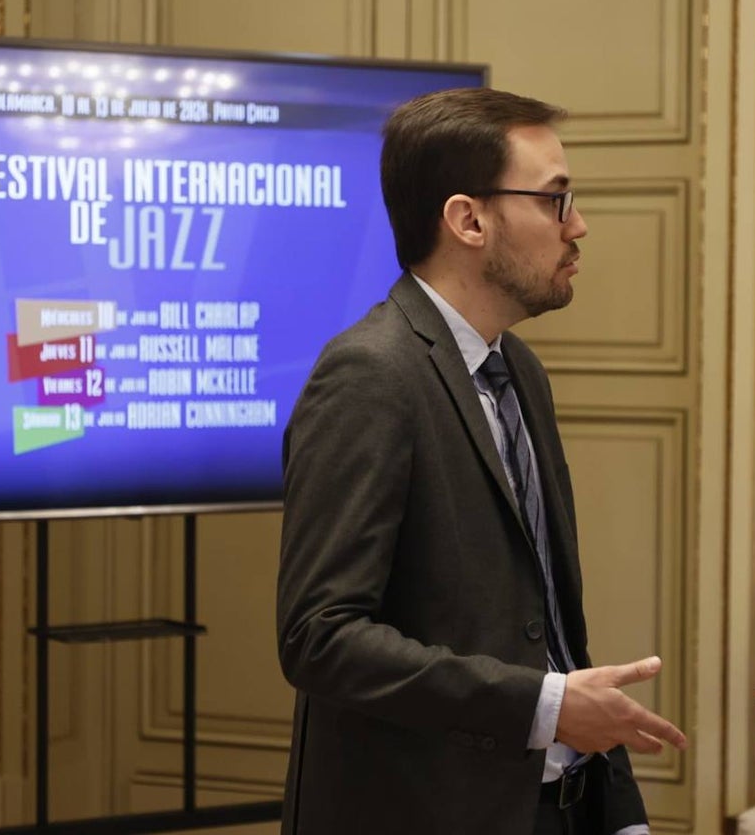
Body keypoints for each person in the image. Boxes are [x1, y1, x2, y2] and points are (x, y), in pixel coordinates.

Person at [276, 87, 687, 835]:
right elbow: (321, 637)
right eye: (555, 200)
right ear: (468, 220)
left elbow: (553, 624)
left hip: (555, 809)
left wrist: (619, 814)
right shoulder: (370, 374)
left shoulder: (519, 369)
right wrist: (545, 706)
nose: (579, 226)